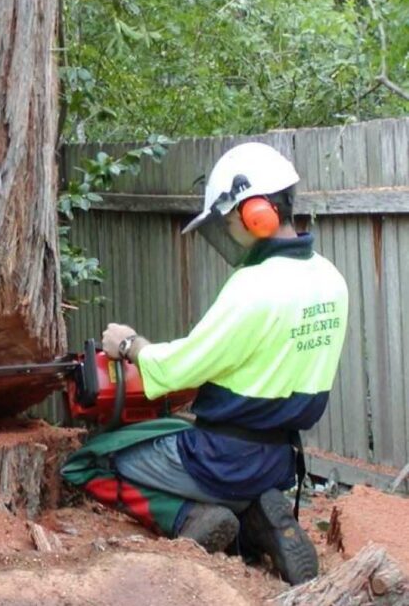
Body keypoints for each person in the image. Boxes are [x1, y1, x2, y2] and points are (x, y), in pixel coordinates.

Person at [61, 142, 348, 585]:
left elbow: (180, 371)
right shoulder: (330, 280)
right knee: (175, 433)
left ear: (257, 213)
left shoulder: (253, 287)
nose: (230, 233)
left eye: (231, 221)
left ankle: (191, 516)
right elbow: (239, 359)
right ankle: (256, 522)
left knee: (89, 460)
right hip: (279, 461)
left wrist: (130, 344)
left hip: (219, 459)